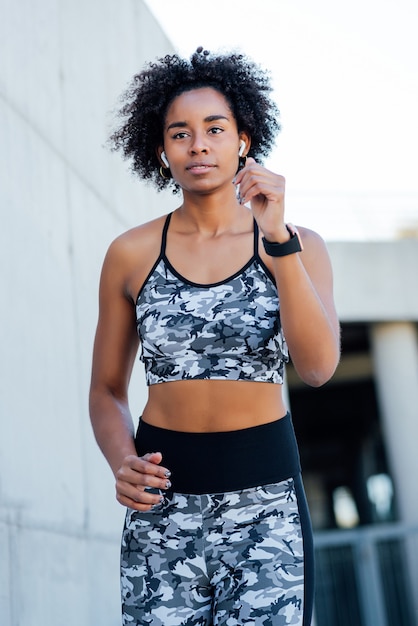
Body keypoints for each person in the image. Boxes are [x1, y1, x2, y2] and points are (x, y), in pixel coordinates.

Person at [89, 46, 340, 626]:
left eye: (215, 129)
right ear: (161, 150)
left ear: (243, 140)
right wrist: (121, 461)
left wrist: (278, 238)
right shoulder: (130, 254)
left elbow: (319, 366)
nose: (198, 144)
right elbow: (106, 390)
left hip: (266, 502)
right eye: (180, 133)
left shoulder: (298, 243)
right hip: (162, 506)